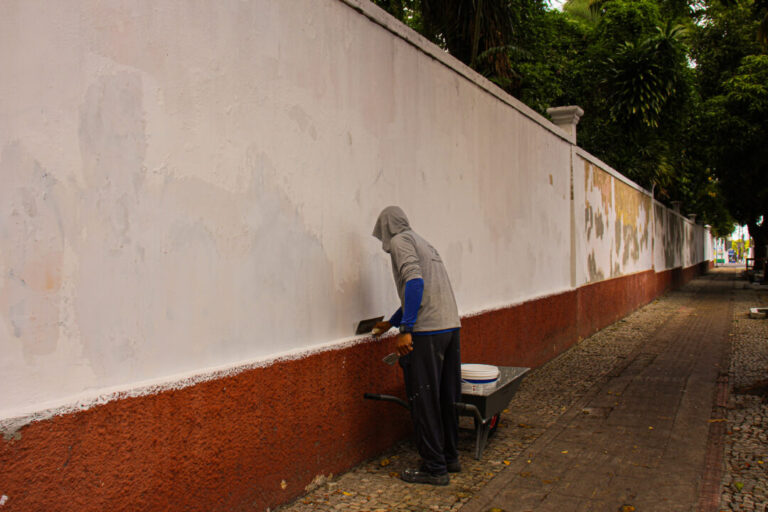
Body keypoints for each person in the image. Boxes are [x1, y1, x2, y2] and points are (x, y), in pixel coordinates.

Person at [372, 206, 462, 486]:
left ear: (385, 227)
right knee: (446, 398)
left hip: (427, 332)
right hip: (449, 327)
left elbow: (414, 282)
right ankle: (449, 457)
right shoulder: (424, 243)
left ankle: (434, 469)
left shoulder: (401, 241)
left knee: (423, 400)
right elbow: (424, 291)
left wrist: (406, 329)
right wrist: (392, 322)